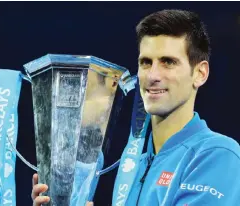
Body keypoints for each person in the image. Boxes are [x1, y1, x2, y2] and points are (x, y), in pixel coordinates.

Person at [32, 9, 240, 206]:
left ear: (200, 73)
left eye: (168, 62)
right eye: (146, 62)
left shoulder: (217, 154)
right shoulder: (132, 166)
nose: (152, 76)